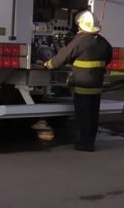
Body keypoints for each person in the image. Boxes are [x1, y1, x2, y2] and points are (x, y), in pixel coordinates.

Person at [43, 11, 114, 152]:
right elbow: (108, 58)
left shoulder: (79, 41)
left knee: (83, 114)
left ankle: (85, 144)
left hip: (82, 84)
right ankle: (90, 141)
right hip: (97, 84)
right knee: (93, 114)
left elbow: (62, 57)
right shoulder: (103, 42)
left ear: (81, 25)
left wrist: (47, 65)